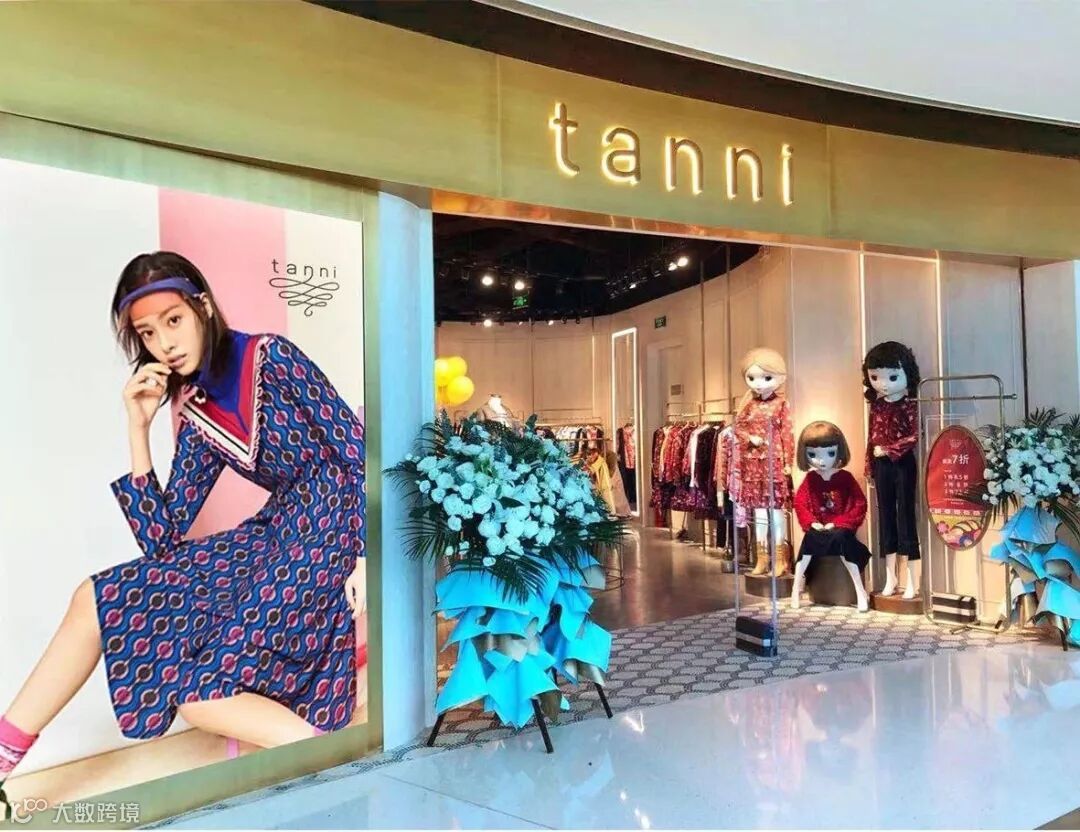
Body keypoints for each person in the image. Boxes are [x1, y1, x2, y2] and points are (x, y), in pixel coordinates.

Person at [0, 252, 367, 796]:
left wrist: (363, 552)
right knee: (94, 597)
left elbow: (357, 450)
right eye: (148, 333)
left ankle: (334, 764)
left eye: (173, 320)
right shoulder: (197, 412)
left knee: (200, 694)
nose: (165, 343)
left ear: (203, 307)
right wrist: (139, 429)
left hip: (334, 526)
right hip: (276, 532)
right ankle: (3, 757)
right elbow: (163, 543)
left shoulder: (272, 357)